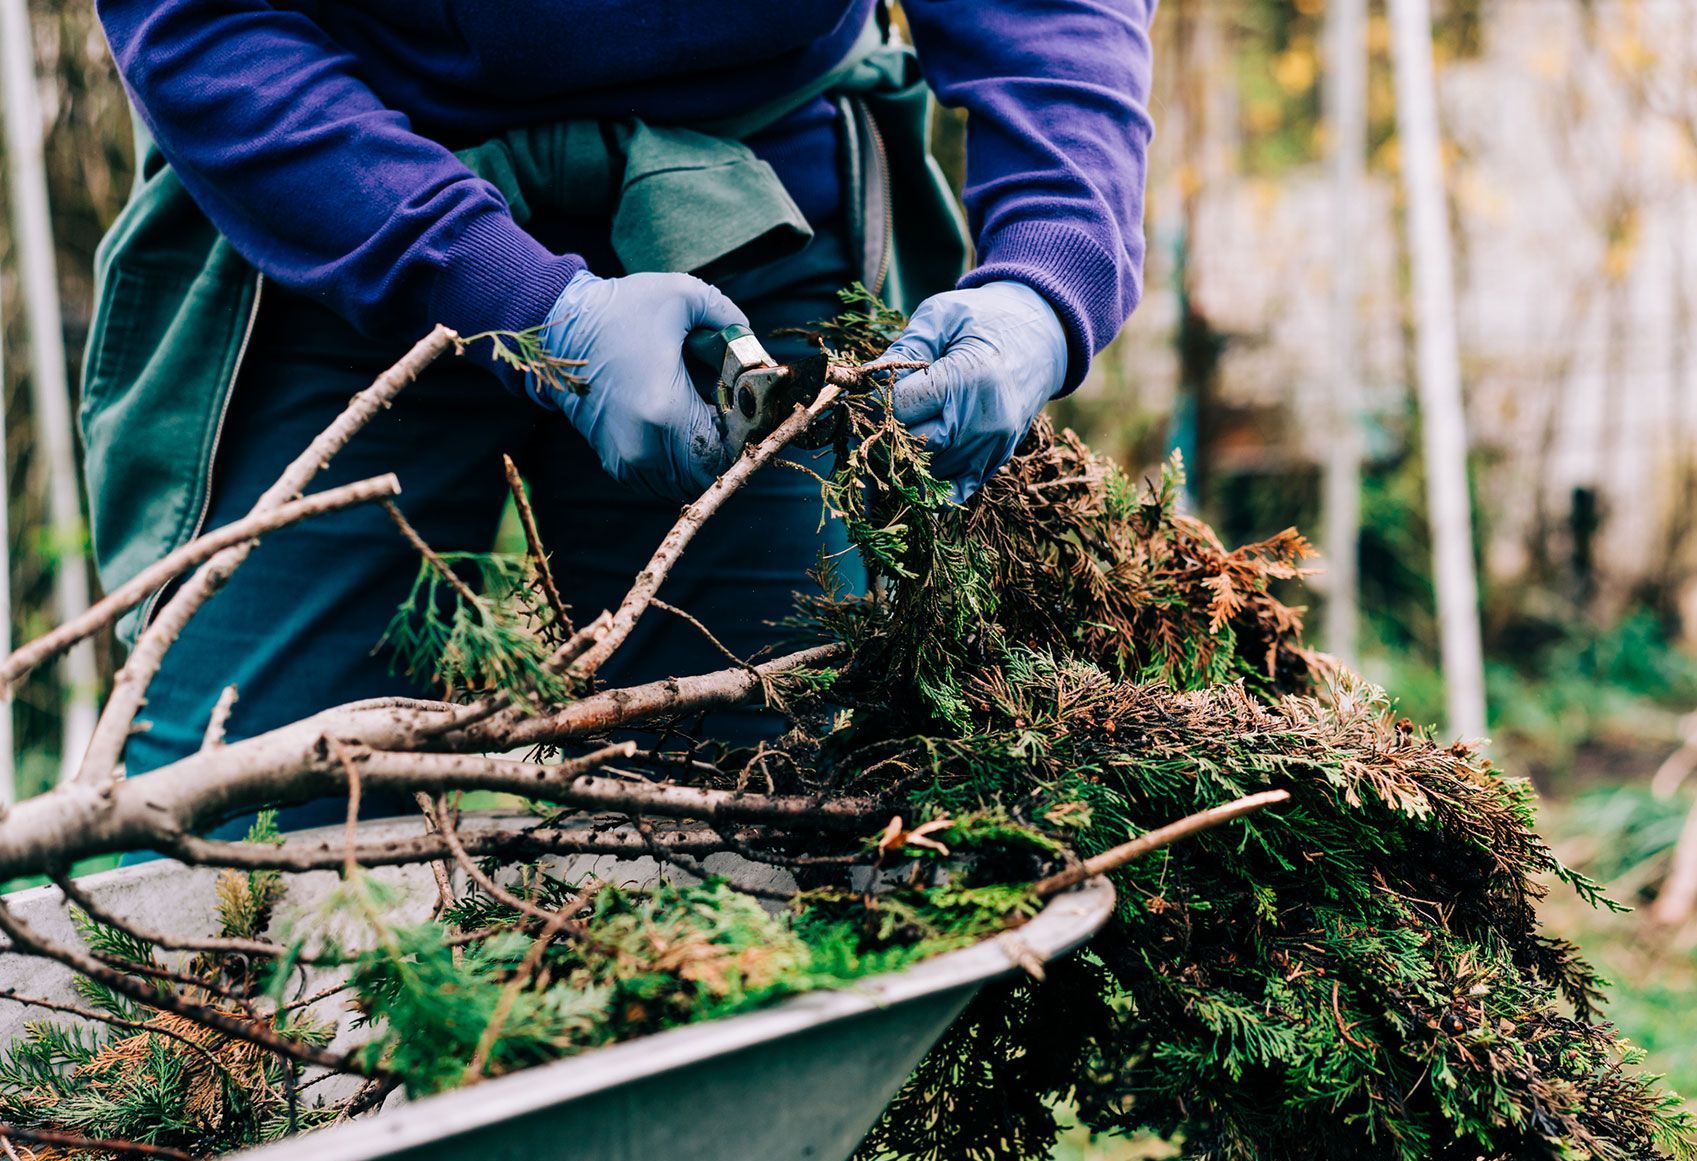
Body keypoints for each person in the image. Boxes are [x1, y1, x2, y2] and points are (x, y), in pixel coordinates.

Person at [83, 2, 1152, 812]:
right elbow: (200, 18)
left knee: (775, 808)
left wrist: (1048, 272)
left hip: (759, 209)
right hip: (338, 195)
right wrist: (515, 296)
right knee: (243, 824)